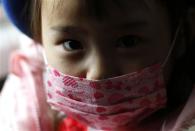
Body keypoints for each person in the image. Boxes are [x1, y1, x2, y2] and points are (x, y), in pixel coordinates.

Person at [1, 0, 195, 131]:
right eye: (72, 44)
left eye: (128, 41)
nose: (99, 73)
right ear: (40, 43)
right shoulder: (27, 115)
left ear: (180, 38)